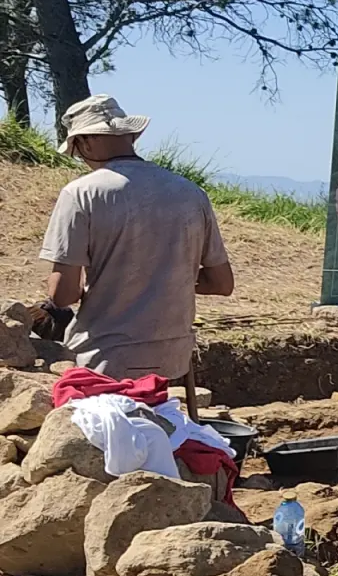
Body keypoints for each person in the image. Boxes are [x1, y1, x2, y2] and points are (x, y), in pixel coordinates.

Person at [39, 95, 234, 381]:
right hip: (173, 356)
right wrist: (161, 278)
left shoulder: (81, 193)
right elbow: (222, 283)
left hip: (104, 357)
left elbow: (63, 294)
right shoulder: (191, 192)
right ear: (130, 135)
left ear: (86, 142)